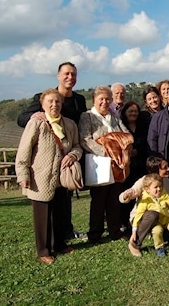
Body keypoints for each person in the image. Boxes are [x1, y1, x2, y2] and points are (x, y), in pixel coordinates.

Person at [17, 61, 87, 241]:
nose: (70, 77)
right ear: (58, 76)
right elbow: (21, 118)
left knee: (65, 198)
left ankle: (65, 232)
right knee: (47, 202)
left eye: (73, 74)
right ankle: (50, 240)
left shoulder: (79, 100)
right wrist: (35, 115)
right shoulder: (44, 97)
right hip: (46, 158)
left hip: (69, 155)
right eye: (66, 74)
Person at [16, 88, 83, 264]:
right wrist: (23, 174)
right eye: (50, 102)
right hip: (40, 177)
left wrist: (72, 155)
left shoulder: (69, 124)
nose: (54, 105)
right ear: (43, 104)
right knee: (43, 216)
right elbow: (24, 150)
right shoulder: (36, 123)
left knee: (60, 213)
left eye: (57, 102)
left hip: (62, 177)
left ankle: (59, 244)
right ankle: (44, 250)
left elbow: (77, 146)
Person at [79, 85, 132, 244]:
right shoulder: (87, 117)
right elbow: (85, 139)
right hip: (99, 164)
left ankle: (114, 231)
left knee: (114, 199)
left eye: (107, 99)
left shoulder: (114, 117)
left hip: (116, 165)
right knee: (98, 201)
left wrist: (125, 151)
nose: (104, 102)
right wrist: (108, 151)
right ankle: (95, 233)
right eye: (101, 98)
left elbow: (126, 135)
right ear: (94, 100)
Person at [129, 174, 169, 257]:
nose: (159, 189)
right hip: (157, 222)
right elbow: (138, 215)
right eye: (155, 187)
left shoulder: (166, 195)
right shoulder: (145, 199)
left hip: (167, 219)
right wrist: (134, 231)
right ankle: (159, 248)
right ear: (147, 189)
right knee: (156, 231)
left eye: (160, 186)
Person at [119, 101, 148, 232]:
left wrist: (137, 151)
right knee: (129, 193)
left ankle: (141, 220)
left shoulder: (142, 126)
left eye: (136, 111)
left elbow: (147, 143)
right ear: (124, 113)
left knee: (141, 193)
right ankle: (126, 222)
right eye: (130, 111)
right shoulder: (122, 127)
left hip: (141, 165)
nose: (133, 113)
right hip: (128, 166)